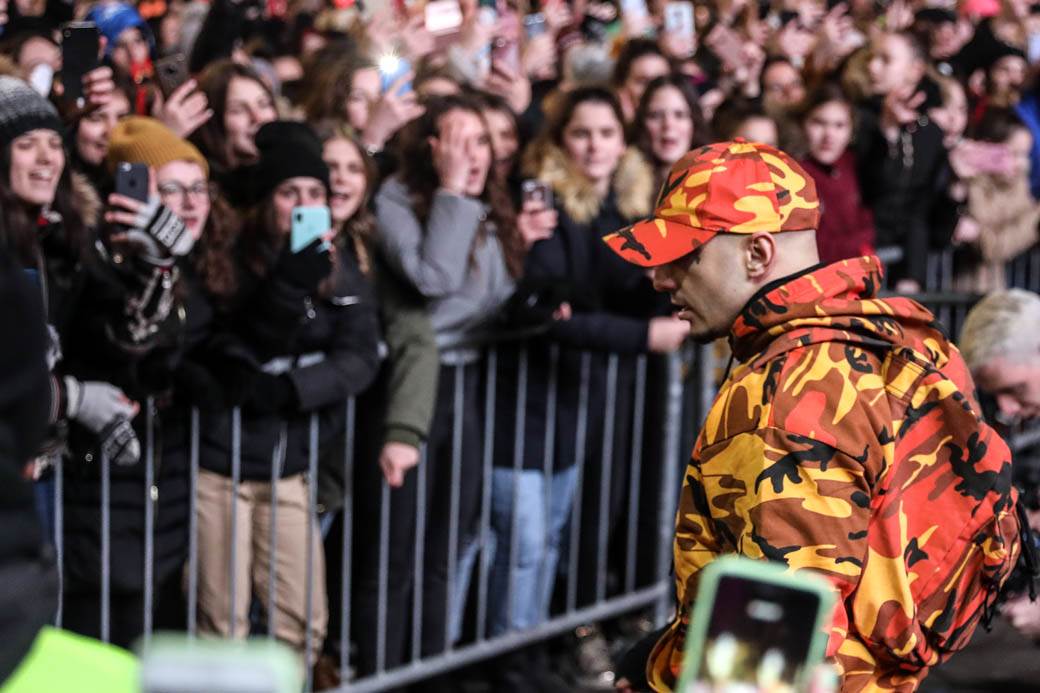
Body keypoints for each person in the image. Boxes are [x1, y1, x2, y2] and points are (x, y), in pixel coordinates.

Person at [603, 139, 1021, 692]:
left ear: (757, 254)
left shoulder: (780, 399)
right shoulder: (896, 335)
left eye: (685, 256)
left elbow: (778, 648)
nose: (660, 279)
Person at [191, 120, 380, 672]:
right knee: (221, 626)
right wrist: (287, 285)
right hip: (219, 466)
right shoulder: (226, 259)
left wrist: (292, 388)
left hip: (288, 463)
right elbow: (230, 348)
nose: (303, 204)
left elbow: (361, 355)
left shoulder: (339, 265)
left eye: (315, 193)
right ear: (266, 200)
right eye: (289, 192)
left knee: (301, 623)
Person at [375, 93, 522, 658]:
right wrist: (451, 193)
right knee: (398, 547)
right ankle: (385, 668)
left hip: (467, 382)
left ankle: (431, 669)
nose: (472, 154)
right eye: (458, 141)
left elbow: (490, 299)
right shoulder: (397, 198)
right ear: (430, 147)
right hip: (413, 387)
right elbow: (433, 278)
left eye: (480, 140)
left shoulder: (491, 207)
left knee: (448, 543)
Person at [797, 83, 875, 264]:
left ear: (851, 130)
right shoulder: (792, 175)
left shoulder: (855, 165)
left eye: (839, 125)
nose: (829, 135)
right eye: (819, 123)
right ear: (803, 123)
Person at [631, 75, 708, 193]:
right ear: (642, 122)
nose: (668, 124)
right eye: (656, 115)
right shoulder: (619, 190)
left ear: (694, 122)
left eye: (679, 114)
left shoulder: (716, 184)